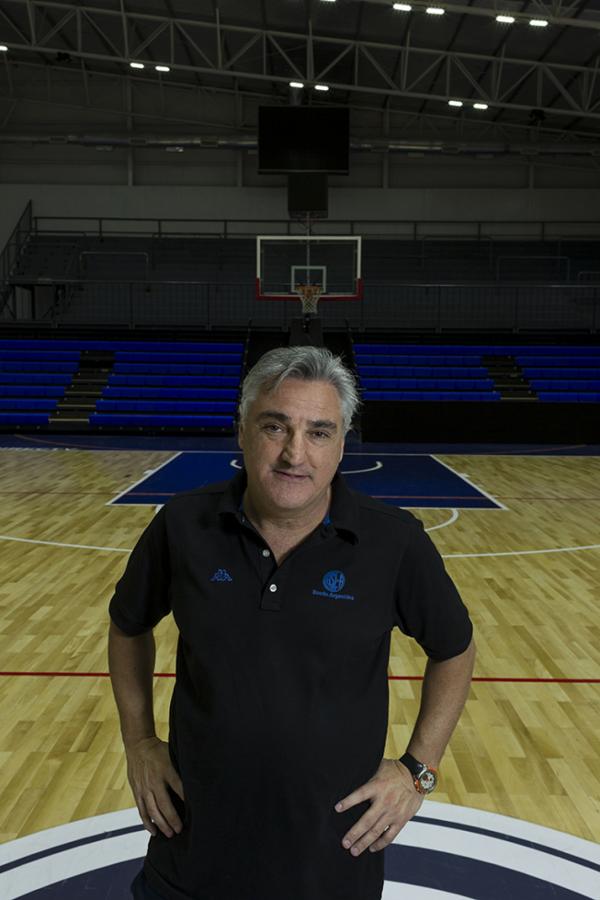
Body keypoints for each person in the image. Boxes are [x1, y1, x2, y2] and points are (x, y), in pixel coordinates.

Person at [108, 346, 475, 900]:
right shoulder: (182, 525)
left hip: (332, 861)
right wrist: (138, 742)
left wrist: (417, 770)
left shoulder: (394, 543)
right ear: (242, 431)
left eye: (319, 432)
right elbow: (127, 625)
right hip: (191, 851)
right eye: (275, 426)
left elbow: (455, 648)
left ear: (342, 443)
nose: (294, 454)